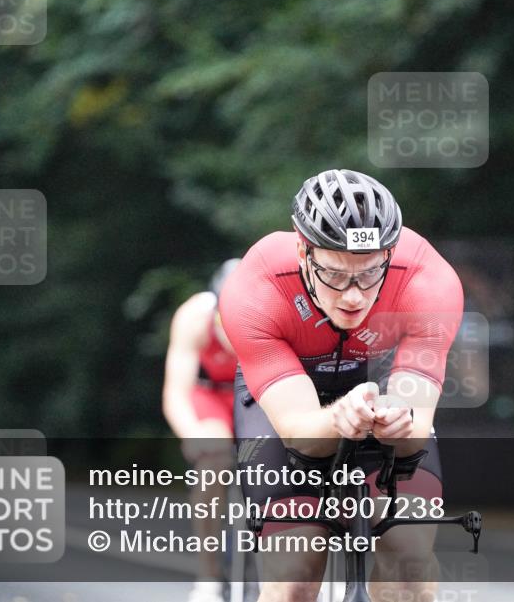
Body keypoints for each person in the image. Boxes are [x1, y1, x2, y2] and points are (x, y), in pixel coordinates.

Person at [222, 169, 463, 602]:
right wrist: (338, 416)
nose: (353, 296)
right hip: (289, 399)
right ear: (302, 250)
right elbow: (300, 435)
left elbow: (413, 430)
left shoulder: (428, 282)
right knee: (293, 578)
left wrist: (396, 419)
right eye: (334, 274)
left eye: (370, 275)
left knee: (411, 570)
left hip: (383, 384)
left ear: (390, 255)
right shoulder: (257, 287)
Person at [163, 259, 242, 602]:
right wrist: (192, 435)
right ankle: (208, 574)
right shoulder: (194, 317)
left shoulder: (273, 318)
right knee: (213, 459)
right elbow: (176, 391)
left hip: (255, 394)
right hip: (211, 396)